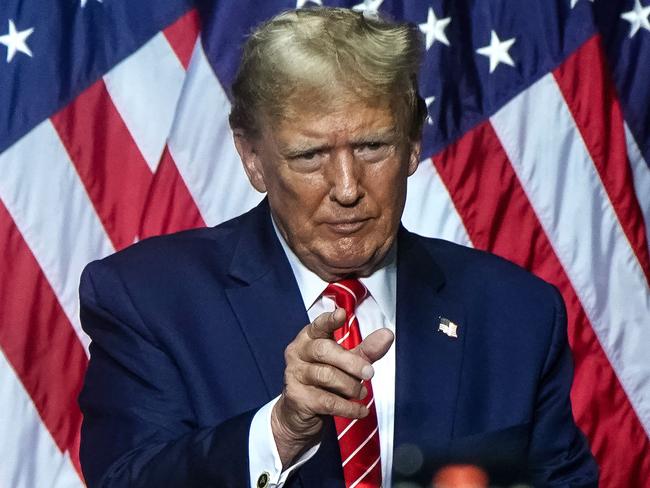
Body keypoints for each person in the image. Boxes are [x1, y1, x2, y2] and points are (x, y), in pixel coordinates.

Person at [78, 7, 599, 488]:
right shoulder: (146, 300)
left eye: (373, 146)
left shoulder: (518, 313)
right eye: (310, 155)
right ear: (253, 158)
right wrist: (279, 432)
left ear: (414, 143)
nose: (347, 187)